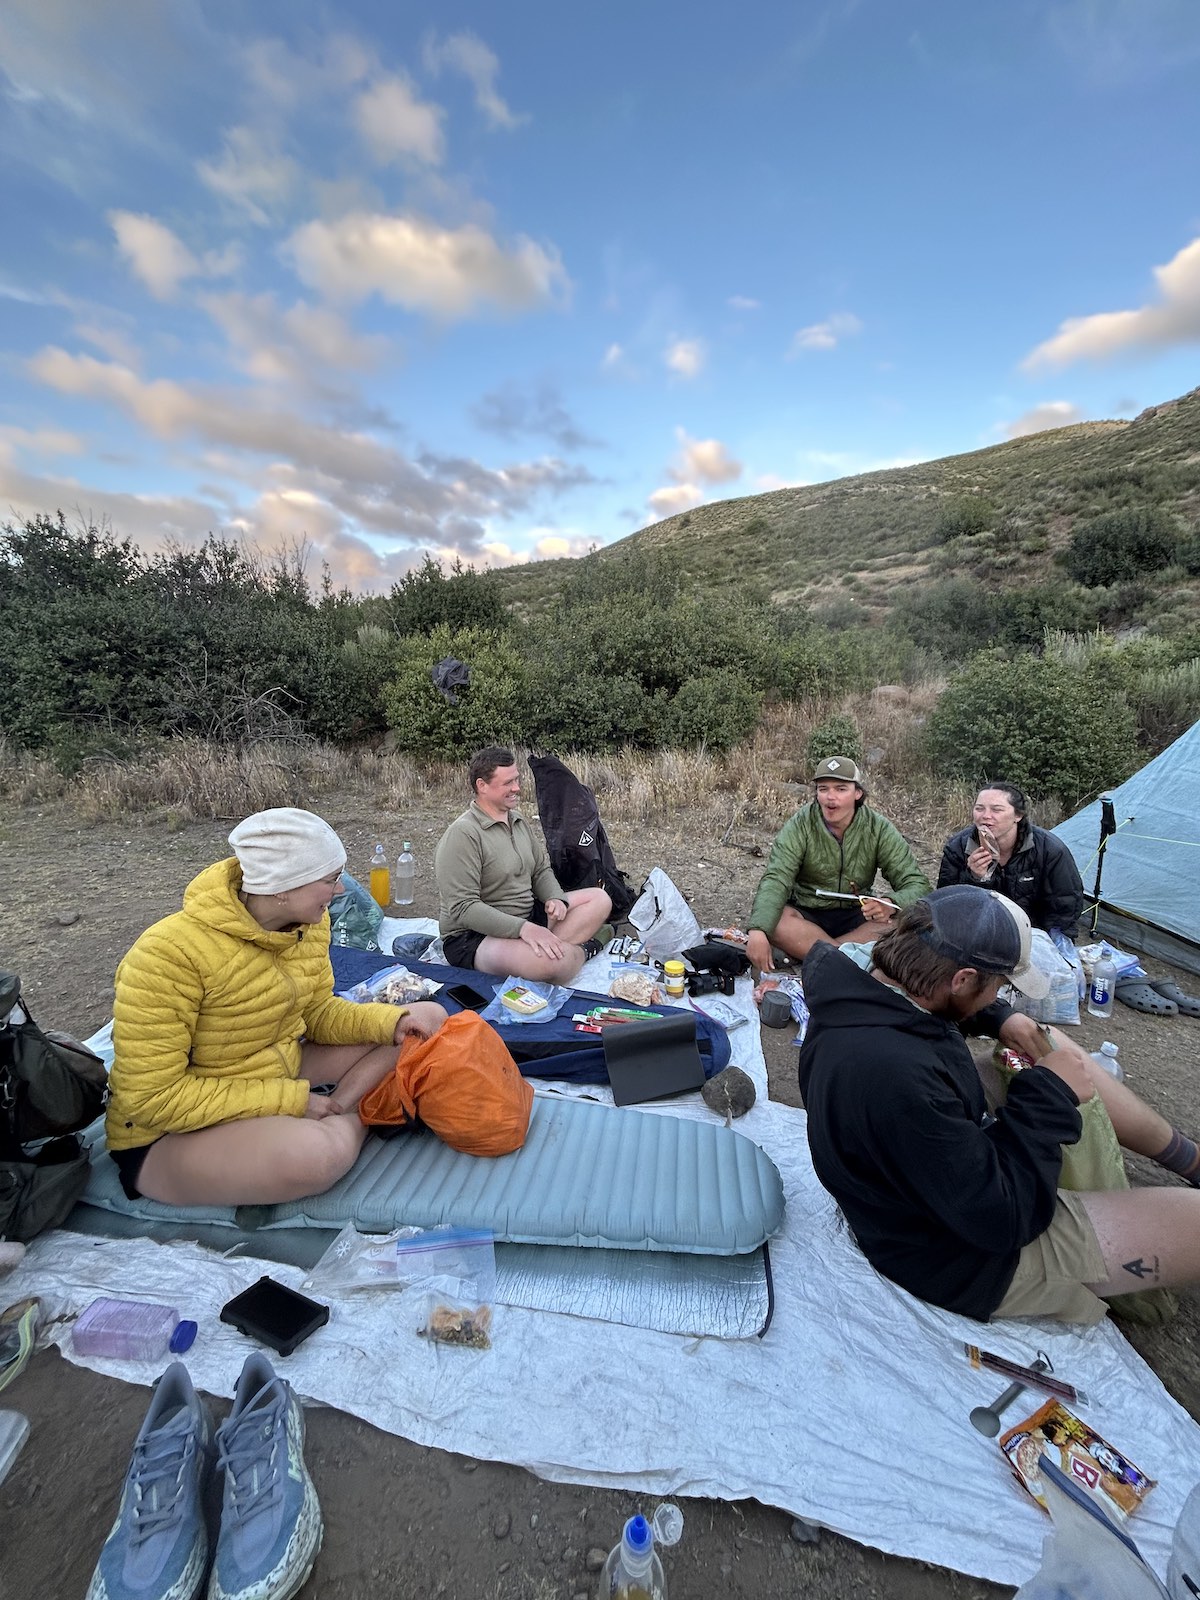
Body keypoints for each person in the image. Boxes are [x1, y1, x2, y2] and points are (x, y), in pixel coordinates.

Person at [799, 884, 1200, 1324]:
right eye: (1000, 987)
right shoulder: (896, 1074)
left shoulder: (863, 986)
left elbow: (926, 1019)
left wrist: (999, 1017)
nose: (1000, 996)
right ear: (963, 979)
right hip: (957, 1256)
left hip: (913, 1178)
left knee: (1044, 1041)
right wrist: (1048, 1098)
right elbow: (1003, 1220)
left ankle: (1188, 1158)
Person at [107, 808, 448, 1208]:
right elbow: (152, 1099)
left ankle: (340, 1109)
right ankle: (359, 1117)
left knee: (426, 1021)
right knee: (317, 1158)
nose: (339, 892)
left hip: (277, 1065)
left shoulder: (308, 925)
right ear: (282, 887)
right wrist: (291, 1101)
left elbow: (319, 1014)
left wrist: (394, 1021)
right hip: (168, 1133)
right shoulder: (167, 955)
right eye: (330, 880)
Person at [434, 746, 612, 983]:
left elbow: (540, 870)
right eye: (508, 783)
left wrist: (555, 898)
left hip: (528, 917)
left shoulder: (517, 821)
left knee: (601, 899)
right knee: (555, 965)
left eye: (516, 780)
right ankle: (586, 949)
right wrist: (524, 930)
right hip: (476, 936)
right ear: (482, 786)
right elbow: (463, 908)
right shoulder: (463, 834)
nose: (517, 788)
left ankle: (543, 948)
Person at [746, 756, 930, 974]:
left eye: (841, 789)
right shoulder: (800, 825)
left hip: (857, 914)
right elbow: (777, 878)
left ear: (857, 793)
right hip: (807, 912)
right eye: (823, 789)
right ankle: (846, 962)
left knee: (901, 925)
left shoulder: (878, 828)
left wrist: (890, 903)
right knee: (775, 922)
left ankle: (824, 958)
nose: (830, 797)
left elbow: (917, 884)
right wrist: (757, 930)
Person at [938, 783, 1084, 935]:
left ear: (1018, 815)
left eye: (997, 810)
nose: (986, 816)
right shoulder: (958, 847)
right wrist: (974, 878)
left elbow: (1065, 908)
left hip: (1033, 934)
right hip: (978, 932)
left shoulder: (1050, 850)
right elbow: (947, 904)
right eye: (979, 808)